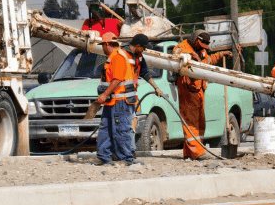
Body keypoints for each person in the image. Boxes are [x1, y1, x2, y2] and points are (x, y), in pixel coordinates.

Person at [95, 33, 163, 165]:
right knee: (117, 129)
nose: (144, 50)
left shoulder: (132, 57)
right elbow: (117, 79)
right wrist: (105, 94)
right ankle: (123, 158)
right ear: (137, 46)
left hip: (122, 98)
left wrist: (156, 87)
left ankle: (116, 156)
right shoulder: (121, 55)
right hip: (119, 99)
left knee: (116, 128)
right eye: (143, 48)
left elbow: (144, 73)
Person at [173, 30, 233, 160]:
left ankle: (191, 152)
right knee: (191, 122)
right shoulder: (182, 47)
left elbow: (208, 61)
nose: (203, 49)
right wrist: (189, 55)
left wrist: (221, 54)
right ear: (196, 40)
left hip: (199, 90)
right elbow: (175, 54)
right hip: (188, 90)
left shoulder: (202, 51)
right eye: (201, 45)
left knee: (200, 122)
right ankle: (197, 153)